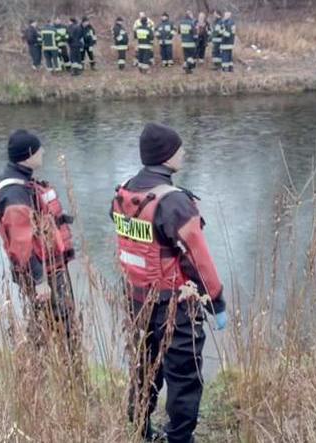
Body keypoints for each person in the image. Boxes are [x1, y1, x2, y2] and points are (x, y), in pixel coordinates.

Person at [111, 123, 228, 442]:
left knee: (143, 368)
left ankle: (139, 430)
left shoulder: (123, 193)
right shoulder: (174, 202)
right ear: (166, 157)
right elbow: (198, 259)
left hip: (136, 301)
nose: (184, 153)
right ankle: (178, 437)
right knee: (184, 377)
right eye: (180, 149)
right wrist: (216, 301)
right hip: (175, 307)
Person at [0, 129, 78, 348]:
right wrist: (40, 281)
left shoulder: (22, 182)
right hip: (43, 273)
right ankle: (69, 375)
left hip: (48, 268)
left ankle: (36, 372)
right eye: (39, 149)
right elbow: (22, 244)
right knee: (62, 326)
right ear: (28, 154)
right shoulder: (14, 193)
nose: (43, 152)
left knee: (44, 323)